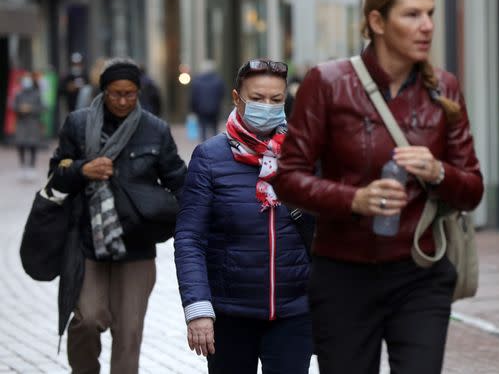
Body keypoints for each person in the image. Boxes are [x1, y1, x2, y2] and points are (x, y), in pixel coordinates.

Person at [273, 0, 484, 374]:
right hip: (343, 275)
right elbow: (288, 177)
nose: (426, 26)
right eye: (412, 14)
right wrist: (355, 199)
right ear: (377, 21)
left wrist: (438, 172)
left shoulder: (443, 89)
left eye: (430, 14)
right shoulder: (328, 83)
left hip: (420, 272)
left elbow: (473, 189)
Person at [175, 57, 314, 374]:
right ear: (237, 99)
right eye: (257, 98)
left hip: (294, 311)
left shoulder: (303, 155)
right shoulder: (210, 157)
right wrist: (198, 309)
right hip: (229, 314)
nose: (267, 106)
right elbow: (189, 238)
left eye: (276, 100)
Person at [48, 58, 187, 374]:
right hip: (86, 244)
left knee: (128, 334)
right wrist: (83, 169)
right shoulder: (78, 124)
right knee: (87, 319)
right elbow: (55, 174)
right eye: (115, 94)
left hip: (136, 246)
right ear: (103, 92)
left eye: (129, 94)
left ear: (138, 92)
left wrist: (184, 223)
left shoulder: (155, 129)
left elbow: (179, 181)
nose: (123, 101)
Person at [13, 72, 44, 180]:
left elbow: (42, 107)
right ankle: (22, 167)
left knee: (33, 145)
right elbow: (14, 106)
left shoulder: (37, 94)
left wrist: (30, 108)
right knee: (20, 144)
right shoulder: (18, 94)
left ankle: (32, 167)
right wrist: (20, 108)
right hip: (21, 123)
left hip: (33, 123)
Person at [190, 59, 226, 141]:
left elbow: (193, 96)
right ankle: (215, 143)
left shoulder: (197, 81)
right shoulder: (218, 80)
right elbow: (222, 94)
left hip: (201, 108)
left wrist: (193, 108)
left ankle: (203, 144)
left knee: (202, 128)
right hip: (215, 108)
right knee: (214, 128)